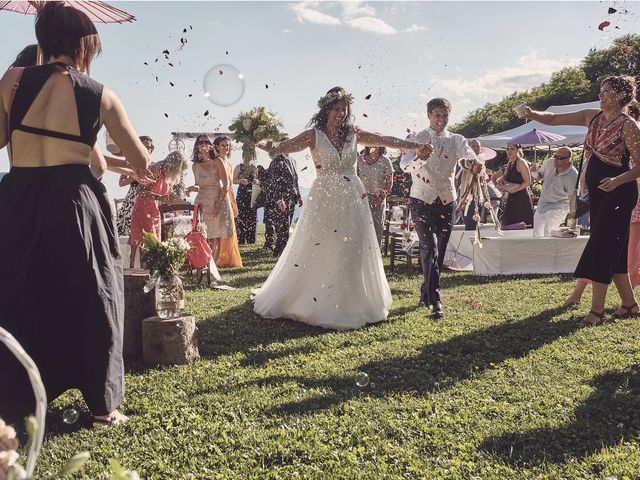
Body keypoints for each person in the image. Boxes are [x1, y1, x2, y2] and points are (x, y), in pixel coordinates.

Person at [0, 2, 150, 425]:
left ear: (43, 38)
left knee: (15, 291)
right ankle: (102, 407)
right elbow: (138, 158)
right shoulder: (98, 92)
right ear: (85, 45)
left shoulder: (12, 80)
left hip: (19, 193)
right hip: (74, 199)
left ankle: (12, 398)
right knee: (92, 294)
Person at [253, 86, 432, 330]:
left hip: (352, 195)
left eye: (344, 109)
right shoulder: (313, 135)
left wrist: (414, 146)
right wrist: (256, 138)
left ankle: (352, 299)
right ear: (326, 109)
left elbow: (383, 139)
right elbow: (282, 147)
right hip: (323, 195)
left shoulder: (353, 133)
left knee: (353, 244)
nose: (341, 113)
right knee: (320, 243)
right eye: (336, 109)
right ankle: (314, 299)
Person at [524, 76, 640, 326]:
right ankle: (629, 305)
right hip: (600, 193)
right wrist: (532, 113)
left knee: (602, 246)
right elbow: (554, 119)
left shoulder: (628, 125)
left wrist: (618, 180)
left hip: (620, 193)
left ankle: (597, 311)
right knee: (615, 250)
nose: (601, 96)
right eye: (600, 91)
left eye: (606, 92)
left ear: (620, 96)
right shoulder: (592, 116)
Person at [400, 97, 477, 319]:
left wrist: (473, 163)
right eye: (437, 115)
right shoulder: (416, 138)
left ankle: (426, 290)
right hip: (421, 199)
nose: (441, 119)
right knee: (429, 249)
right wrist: (418, 158)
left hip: (446, 199)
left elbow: (467, 157)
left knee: (440, 251)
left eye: (445, 115)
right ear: (428, 115)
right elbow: (405, 166)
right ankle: (436, 300)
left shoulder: (457, 139)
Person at [129, 150, 187, 268]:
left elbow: (168, 195)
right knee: (146, 241)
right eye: (180, 170)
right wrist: (159, 197)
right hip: (143, 208)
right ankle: (143, 271)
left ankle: (150, 271)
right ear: (176, 165)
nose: (180, 173)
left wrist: (179, 205)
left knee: (155, 241)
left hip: (155, 210)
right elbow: (140, 190)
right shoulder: (156, 169)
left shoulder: (169, 175)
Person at [259, 147, 302, 257]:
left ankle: (282, 250)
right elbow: (274, 181)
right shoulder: (276, 161)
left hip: (292, 196)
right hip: (282, 198)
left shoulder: (293, 160)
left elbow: (295, 180)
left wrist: (299, 196)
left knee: (287, 225)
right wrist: (279, 199)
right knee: (282, 225)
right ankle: (279, 251)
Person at [530, 146, 578, 237]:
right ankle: (538, 250)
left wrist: (573, 221)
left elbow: (573, 198)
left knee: (550, 231)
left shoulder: (572, 175)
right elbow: (539, 177)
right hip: (543, 202)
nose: (555, 160)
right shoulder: (549, 162)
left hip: (559, 205)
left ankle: (550, 250)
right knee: (537, 234)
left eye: (560, 158)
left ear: (569, 159)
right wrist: (534, 172)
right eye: (555, 156)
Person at [213, 136, 243, 268]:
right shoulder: (216, 161)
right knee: (220, 227)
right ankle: (219, 257)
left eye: (228, 145)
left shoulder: (229, 164)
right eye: (223, 145)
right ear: (217, 146)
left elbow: (229, 186)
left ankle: (229, 257)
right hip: (218, 196)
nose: (226, 147)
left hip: (227, 197)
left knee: (229, 227)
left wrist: (233, 203)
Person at [116, 135, 154, 236]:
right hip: (133, 197)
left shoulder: (153, 165)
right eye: (144, 146)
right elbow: (121, 183)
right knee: (131, 229)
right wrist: (135, 175)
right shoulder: (130, 163)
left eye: (149, 147)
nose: (147, 149)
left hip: (149, 197)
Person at [357, 146, 393, 246]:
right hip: (360, 199)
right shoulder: (358, 160)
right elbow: (354, 180)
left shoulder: (386, 161)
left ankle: (376, 258)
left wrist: (381, 197)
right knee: (360, 229)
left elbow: (389, 183)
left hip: (378, 200)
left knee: (376, 229)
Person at [491, 143, 534, 227]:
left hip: (521, 199)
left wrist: (515, 189)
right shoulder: (510, 162)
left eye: (512, 149)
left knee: (521, 226)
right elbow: (504, 177)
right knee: (507, 225)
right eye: (507, 149)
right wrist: (500, 182)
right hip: (511, 198)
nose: (509, 151)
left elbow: (528, 182)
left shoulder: (521, 162)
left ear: (518, 150)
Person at [233, 163, 258, 244]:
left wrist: (256, 181)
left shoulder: (254, 168)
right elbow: (233, 180)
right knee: (241, 215)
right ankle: (241, 239)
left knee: (252, 216)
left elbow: (258, 180)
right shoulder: (238, 167)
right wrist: (240, 181)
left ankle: (251, 240)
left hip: (252, 194)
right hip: (242, 194)